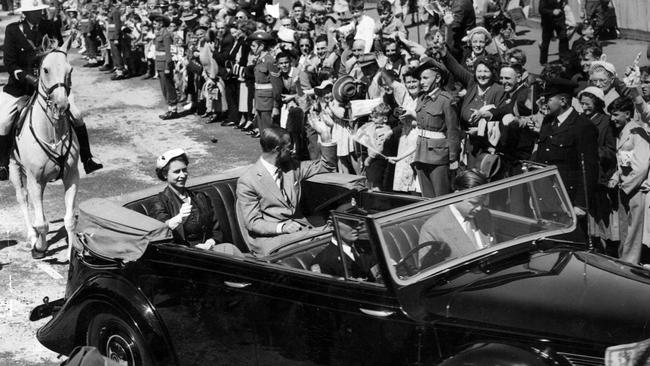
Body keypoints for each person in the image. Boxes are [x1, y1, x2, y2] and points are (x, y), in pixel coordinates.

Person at [0, 0, 102, 181]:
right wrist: (30, 79)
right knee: (4, 122)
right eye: (34, 11)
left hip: (53, 85)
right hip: (21, 87)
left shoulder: (50, 26)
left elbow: (60, 55)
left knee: (77, 115)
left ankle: (87, 158)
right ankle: (3, 164)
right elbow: (10, 63)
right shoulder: (13, 30)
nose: (38, 14)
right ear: (25, 13)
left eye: (40, 10)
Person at [236, 119, 336, 256]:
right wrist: (282, 227)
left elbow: (327, 165)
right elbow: (253, 222)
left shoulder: (291, 167)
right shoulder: (248, 181)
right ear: (277, 150)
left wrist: (325, 134)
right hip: (271, 239)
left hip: (300, 230)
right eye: (290, 147)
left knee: (336, 234)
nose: (294, 150)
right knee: (326, 238)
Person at [532, 78, 599, 233]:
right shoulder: (548, 121)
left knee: (571, 241)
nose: (544, 104)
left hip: (568, 198)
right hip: (546, 196)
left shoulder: (583, 126)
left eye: (548, 99)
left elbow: (589, 168)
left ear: (562, 101)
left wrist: (581, 204)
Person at [404, 57, 460, 198]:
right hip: (421, 153)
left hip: (439, 155)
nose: (421, 82)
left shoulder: (446, 100)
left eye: (425, 78)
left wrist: (453, 158)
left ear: (438, 78)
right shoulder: (422, 98)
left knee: (441, 198)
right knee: (427, 198)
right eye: (420, 79)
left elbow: (453, 131)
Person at [417, 169, 495, 267]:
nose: (480, 208)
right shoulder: (432, 228)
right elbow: (427, 273)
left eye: (482, 203)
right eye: (474, 203)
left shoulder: (485, 215)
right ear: (457, 195)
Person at [149, 148, 224, 248]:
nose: (182, 175)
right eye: (176, 172)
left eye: (184, 170)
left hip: (208, 251)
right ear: (165, 174)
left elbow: (216, 229)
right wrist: (178, 219)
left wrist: (210, 243)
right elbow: (161, 231)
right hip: (182, 256)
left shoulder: (200, 197)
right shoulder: (159, 202)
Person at [607, 97, 650, 266]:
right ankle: (623, 261)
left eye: (616, 115)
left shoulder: (637, 133)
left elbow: (640, 166)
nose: (612, 119)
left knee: (633, 231)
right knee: (625, 229)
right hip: (625, 188)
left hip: (636, 190)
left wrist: (626, 186)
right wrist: (615, 177)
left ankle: (629, 264)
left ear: (627, 114)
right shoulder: (623, 131)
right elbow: (623, 163)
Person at [310, 203, 378, 281]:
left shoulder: (368, 246)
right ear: (331, 225)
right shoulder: (324, 262)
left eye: (358, 220)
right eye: (350, 222)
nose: (358, 226)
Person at [246, 30, 281, 137]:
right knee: (263, 132)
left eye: (253, 45)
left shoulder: (270, 61)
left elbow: (277, 86)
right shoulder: (259, 60)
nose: (251, 48)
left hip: (268, 102)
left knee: (269, 133)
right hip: (260, 100)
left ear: (261, 46)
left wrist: (276, 106)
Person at [152, 13, 179, 120]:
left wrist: (168, 67)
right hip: (159, 62)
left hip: (165, 64)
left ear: (161, 23)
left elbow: (169, 52)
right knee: (164, 87)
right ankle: (170, 108)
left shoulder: (166, 35)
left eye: (156, 23)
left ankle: (173, 110)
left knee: (169, 87)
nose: (154, 25)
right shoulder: (159, 33)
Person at [539, 0, 570, 65]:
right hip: (548, 21)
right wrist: (552, 12)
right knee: (545, 42)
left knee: (564, 38)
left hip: (560, 20)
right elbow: (541, 9)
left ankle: (564, 58)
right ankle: (543, 61)